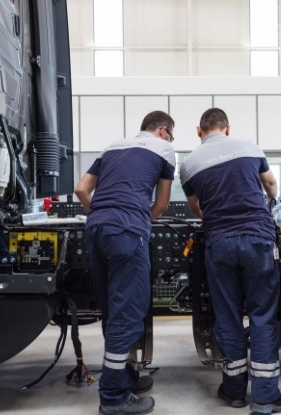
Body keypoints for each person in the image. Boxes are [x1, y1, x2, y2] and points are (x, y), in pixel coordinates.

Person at [179, 108, 281, 414]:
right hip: (257, 240)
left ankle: (234, 393)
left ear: (198, 130)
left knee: (227, 316)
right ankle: (266, 398)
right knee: (262, 316)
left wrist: (216, 219)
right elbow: (270, 185)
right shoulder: (248, 146)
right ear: (227, 129)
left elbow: (195, 208)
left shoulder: (189, 164)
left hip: (219, 244)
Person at [74, 110, 176, 415]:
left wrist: (102, 214)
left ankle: (125, 375)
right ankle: (113, 397)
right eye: (171, 134)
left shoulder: (112, 146)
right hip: (128, 233)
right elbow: (162, 203)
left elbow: (81, 189)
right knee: (129, 313)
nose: (171, 139)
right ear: (162, 130)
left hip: (96, 230)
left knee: (112, 309)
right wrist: (138, 222)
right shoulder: (165, 149)